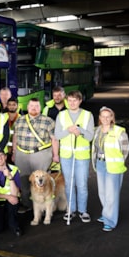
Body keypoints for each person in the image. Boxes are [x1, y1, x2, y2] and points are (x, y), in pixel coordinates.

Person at [12, 98, 59, 213]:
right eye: (31, 106)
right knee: (24, 181)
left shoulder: (48, 121)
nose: (34, 108)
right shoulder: (19, 120)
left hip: (41, 155)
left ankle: (43, 207)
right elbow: (15, 137)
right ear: (27, 107)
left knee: (42, 181)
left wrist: (56, 155)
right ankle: (27, 204)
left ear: (40, 108)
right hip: (22, 155)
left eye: (36, 106)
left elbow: (54, 139)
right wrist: (14, 152)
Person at [55, 90, 94, 223]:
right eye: (69, 100)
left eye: (74, 100)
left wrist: (80, 131)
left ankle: (83, 211)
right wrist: (68, 130)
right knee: (69, 184)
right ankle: (71, 210)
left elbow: (90, 136)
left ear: (80, 101)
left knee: (82, 184)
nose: (72, 103)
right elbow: (57, 135)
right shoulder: (61, 115)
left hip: (82, 156)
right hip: (66, 155)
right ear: (66, 101)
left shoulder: (88, 115)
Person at [91, 106, 129, 232]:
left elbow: (125, 150)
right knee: (102, 192)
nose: (106, 119)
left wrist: (115, 160)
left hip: (113, 166)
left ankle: (110, 221)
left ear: (112, 118)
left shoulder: (119, 131)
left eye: (108, 116)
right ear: (100, 118)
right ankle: (106, 213)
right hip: (100, 164)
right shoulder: (97, 131)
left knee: (111, 195)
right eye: (103, 116)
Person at [6, 97, 20, 164]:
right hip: (4, 150)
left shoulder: (21, 118)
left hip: (17, 150)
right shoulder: (2, 117)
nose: (11, 106)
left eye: (14, 104)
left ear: (17, 106)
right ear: (7, 106)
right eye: (10, 104)